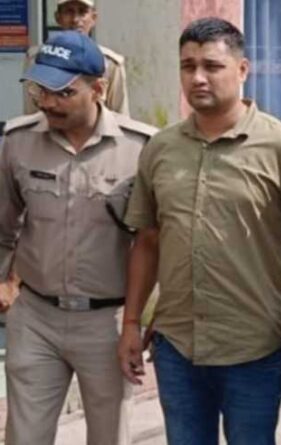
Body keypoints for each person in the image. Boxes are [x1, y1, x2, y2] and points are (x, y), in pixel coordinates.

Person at [116, 18, 281, 445]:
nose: (198, 78)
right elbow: (147, 240)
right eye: (188, 66)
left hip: (254, 350)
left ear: (242, 70)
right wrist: (131, 322)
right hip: (177, 347)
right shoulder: (161, 149)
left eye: (212, 65)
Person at [0, 30, 155, 445]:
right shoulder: (17, 142)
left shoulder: (142, 149)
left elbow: (154, 243)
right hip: (35, 318)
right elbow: (4, 225)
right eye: (41, 90)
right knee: (24, 437)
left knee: (108, 436)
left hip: (108, 324)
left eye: (63, 92)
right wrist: (4, 283)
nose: (48, 103)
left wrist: (139, 322)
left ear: (98, 89)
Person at [22, 0, 129, 115]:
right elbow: (31, 115)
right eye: (69, 12)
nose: (75, 20)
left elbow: (120, 117)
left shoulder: (109, 63)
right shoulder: (39, 59)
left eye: (82, 12)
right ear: (58, 18)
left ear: (93, 18)